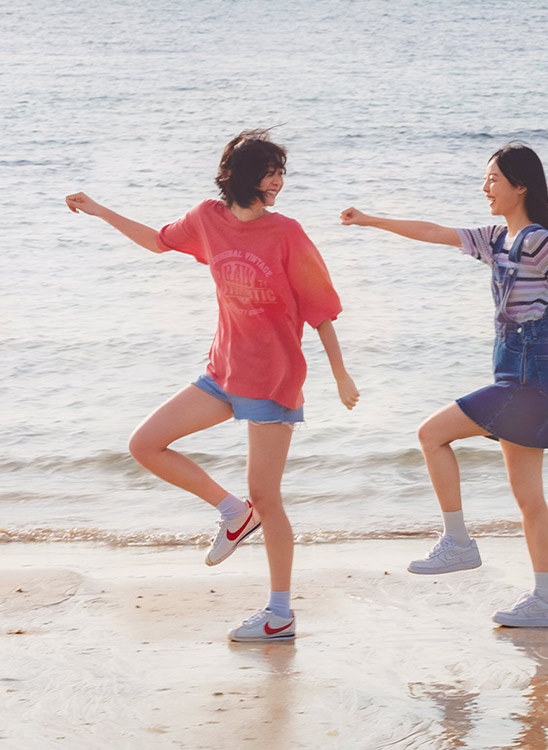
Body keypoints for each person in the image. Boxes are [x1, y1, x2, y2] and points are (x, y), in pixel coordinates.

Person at [340, 143, 548, 627]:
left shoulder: (538, 241)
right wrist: (371, 220)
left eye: (494, 180)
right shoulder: (496, 239)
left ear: (520, 186)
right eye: (486, 180)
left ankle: (458, 541)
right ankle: (547, 601)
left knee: (430, 434)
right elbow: (434, 232)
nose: (486, 188)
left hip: (527, 376)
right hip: (518, 376)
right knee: (529, 500)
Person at [65, 129, 359, 642]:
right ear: (244, 176)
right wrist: (100, 210)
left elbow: (321, 310)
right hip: (223, 371)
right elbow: (157, 241)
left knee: (268, 496)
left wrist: (340, 374)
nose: (279, 182)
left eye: (282, 173)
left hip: (273, 379)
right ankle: (231, 513)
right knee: (145, 444)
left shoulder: (287, 233)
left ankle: (280, 613)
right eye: (271, 172)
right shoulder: (208, 218)